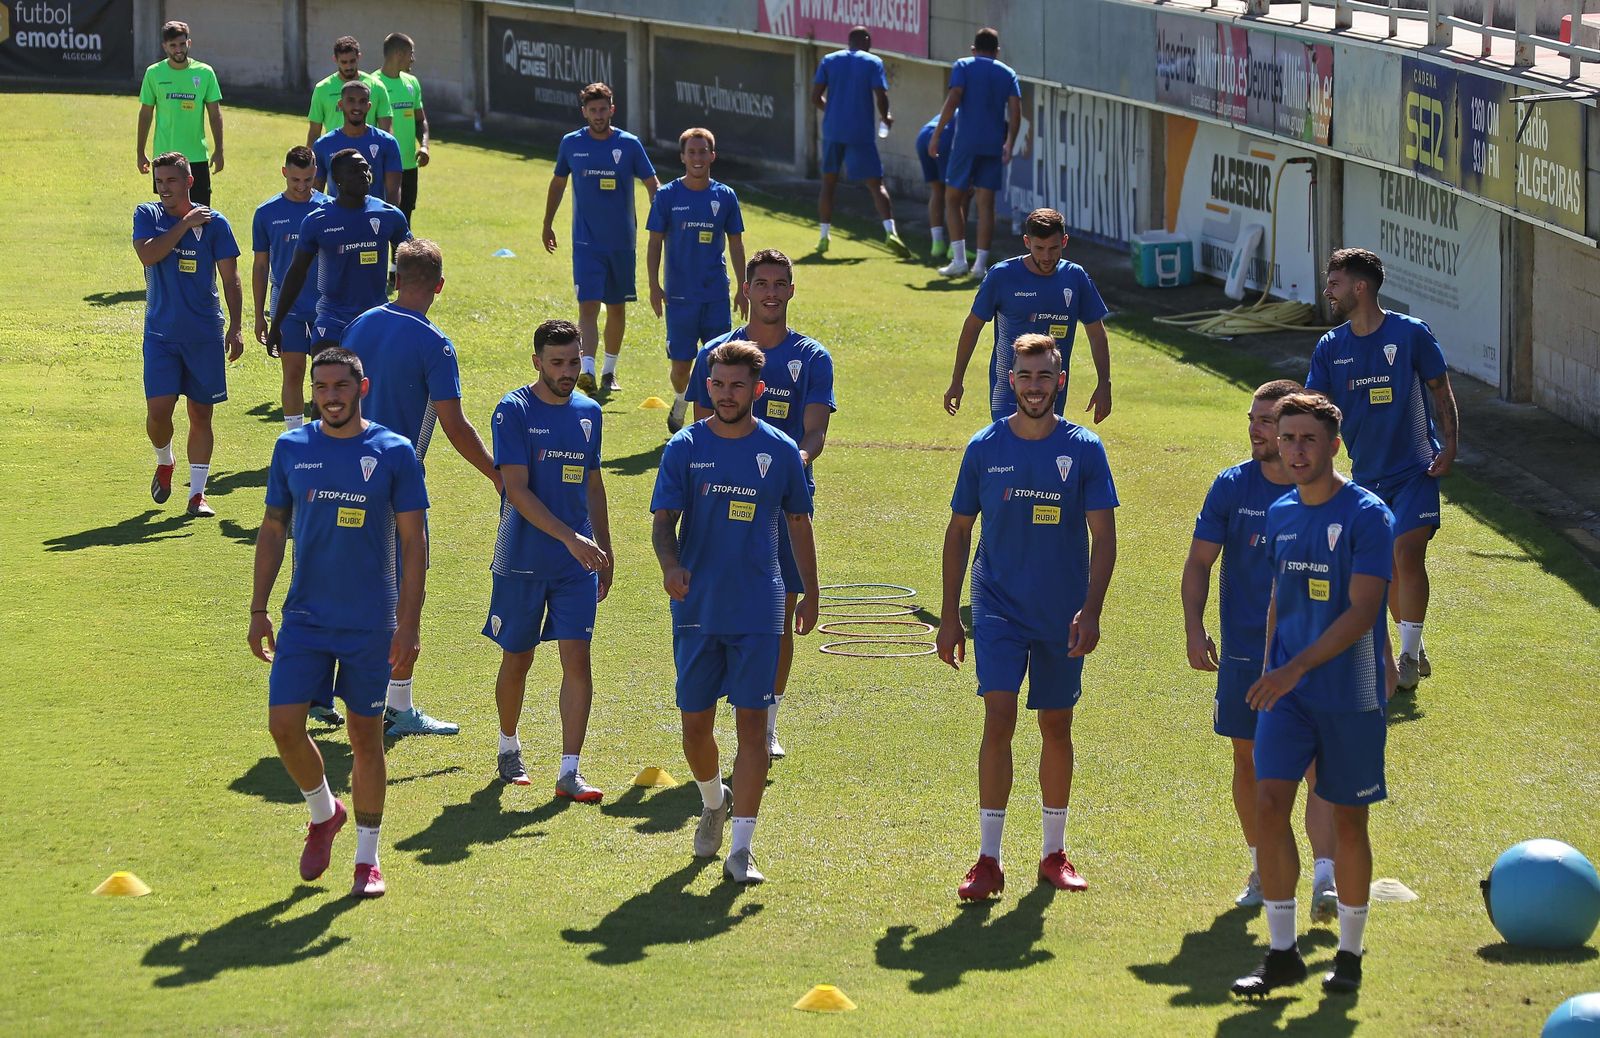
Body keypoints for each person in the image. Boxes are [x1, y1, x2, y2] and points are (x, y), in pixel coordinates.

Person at [937, 334, 1117, 900]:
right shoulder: (984, 447)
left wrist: (1091, 611)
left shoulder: (1084, 449)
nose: (1034, 386)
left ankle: (1053, 852)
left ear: (1059, 381)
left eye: (1044, 376)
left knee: (1055, 726)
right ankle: (987, 860)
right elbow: (960, 531)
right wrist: (948, 617)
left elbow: (1105, 536)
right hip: (997, 609)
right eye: (1025, 375)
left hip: (1061, 614)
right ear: (1008, 379)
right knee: (999, 719)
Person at [249, 346, 429, 900]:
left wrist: (408, 625)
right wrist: (258, 608)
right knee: (284, 726)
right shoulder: (291, 447)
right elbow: (274, 529)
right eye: (321, 386)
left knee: (365, 738)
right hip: (305, 617)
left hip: (371, 624)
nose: (330, 396)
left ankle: (367, 861)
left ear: (362, 387)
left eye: (340, 386)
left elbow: (414, 543)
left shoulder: (394, 452)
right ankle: (324, 813)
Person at [1231, 392, 1394, 998]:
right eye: (1286, 437)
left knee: (1348, 823)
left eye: (1307, 439)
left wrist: (1292, 668)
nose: (1294, 449)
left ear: (1334, 445)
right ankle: (1282, 953)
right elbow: (1281, 598)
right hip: (1287, 693)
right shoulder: (1280, 513)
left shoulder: (1368, 515)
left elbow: (1362, 613)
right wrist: (1275, 664)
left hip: (1347, 690)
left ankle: (1348, 956)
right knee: (1271, 807)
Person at [650, 340, 819, 884]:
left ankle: (742, 850)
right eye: (718, 384)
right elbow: (662, 523)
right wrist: (670, 566)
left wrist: (810, 590)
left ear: (758, 390)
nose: (726, 394)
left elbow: (798, 523)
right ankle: (712, 801)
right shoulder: (683, 447)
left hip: (759, 608)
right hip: (697, 607)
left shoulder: (782, 451)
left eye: (737, 385)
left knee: (752, 733)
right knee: (695, 728)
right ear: (707, 386)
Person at [1182, 380, 1340, 917]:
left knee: (1319, 766)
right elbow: (1200, 561)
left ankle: (1325, 879)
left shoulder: (1325, 494)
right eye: (1253, 418)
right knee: (1247, 759)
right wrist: (1193, 626)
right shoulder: (1231, 487)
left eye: (1267, 421)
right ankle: (1261, 866)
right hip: (1247, 656)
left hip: (1313, 655)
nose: (1256, 429)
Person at [341, 239, 500, 737]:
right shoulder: (435, 344)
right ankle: (398, 707)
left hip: (343, 472)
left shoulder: (360, 324)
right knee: (406, 590)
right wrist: (498, 475)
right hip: (396, 482)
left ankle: (324, 694)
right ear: (439, 285)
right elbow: (453, 425)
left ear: (395, 279)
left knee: (347, 582)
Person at [686, 250, 835, 759]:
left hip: (780, 504)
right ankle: (705, 718)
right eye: (762, 283)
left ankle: (766, 723)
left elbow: (815, 432)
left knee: (778, 612)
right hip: (715, 506)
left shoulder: (812, 357)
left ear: (792, 290)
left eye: (780, 283)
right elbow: (698, 430)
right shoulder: (718, 351)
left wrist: (793, 458)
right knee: (711, 609)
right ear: (745, 289)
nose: (771, 292)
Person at [1307, 248, 1458, 696]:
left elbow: (1440, 389)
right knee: (1387, 567)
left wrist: (1450, 445)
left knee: (1406, 553)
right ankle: (1414, 642)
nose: (1327, 291)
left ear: (1360, 287)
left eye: (1334, 283)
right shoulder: (1331, 347)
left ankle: (1407, 658)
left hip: (1415, 468)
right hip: (1365, 478)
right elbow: (1316, 409)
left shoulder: (1411, 334)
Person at [486, 319, 613, 800]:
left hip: (575, 563)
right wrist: (571, 539)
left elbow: (594, 483)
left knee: (577, 659)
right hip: (521, 558)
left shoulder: (589, 412)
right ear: (536, 361)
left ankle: (569, 771)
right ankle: (507, 746)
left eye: (573, 360)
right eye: (556, 362)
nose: (566, 371)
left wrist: (605, 546)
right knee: (518, 658)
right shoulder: (513, 409)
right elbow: (516, 490)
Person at [134, 153, 243, 518]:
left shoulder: (217, 224)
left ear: (189, 181)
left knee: (201, 414)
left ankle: (197, 495)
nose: (164, 188)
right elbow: (149, 255)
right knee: (158, 412)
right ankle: (165, 461)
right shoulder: (147, 216)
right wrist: (183, 224)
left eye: (171, 181)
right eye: (160, 182)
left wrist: (237, 326)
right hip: (161, 335)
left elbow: (231, 278)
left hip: (204, 335)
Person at [542, 82, 659, 395]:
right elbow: (557, 185)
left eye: (603, 108)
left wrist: (661, 222)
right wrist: (547, 224)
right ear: (584, 112)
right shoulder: (571, 144)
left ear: (612, 109)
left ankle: (609, 371)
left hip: (622, 243)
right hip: (586, 243)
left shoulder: (630, 144)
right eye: (592, 110)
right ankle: (589, 370)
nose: (598, 115)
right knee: (588, 306)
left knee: (617, 308)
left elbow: (652, 184)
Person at [944, 208, 1112, 424]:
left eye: (1053, 248)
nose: (1047, 256)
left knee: (1045, 453)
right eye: (1039, 248)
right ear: (1026, 242)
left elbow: (1097, 333)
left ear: (1065, 241)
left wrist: (1104, 384)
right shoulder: (1002, 275)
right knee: (1012, 453)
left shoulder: (1075, 277)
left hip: (1052, 393)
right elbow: (972, 327)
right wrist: (957, 380)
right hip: (1008, 393)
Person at [647, 128, 747, 434]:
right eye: (692, 152)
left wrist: (744, 288)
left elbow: (736, 244)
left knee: (721, 362)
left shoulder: (725, 196)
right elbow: (654, 243)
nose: (698, 158)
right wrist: (654, 286)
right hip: (679, 298)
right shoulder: (667, 196)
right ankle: (681, 399)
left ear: (713, 156)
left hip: (716, 295)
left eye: (703, 152)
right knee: (681, 367)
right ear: (682, 157)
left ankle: (714, 425)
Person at [266, 149, 410, 350]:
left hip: (375, 318)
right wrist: (277, 323)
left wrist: (406, 311)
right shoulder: (317, 221)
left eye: (365, 168)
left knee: (375, 381)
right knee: (326, 380)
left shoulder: (389, 215)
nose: (363, 174)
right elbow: (296, 272)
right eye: (354, 170)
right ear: (337, 179)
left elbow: (413, 262)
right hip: (332, 321)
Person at [929, 27, 1021, 279]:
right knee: (986, 204)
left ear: (973, 48)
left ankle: (958, 260)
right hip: (992, 144)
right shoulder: (1007, 73)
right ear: (997, 51)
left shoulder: (963, 65)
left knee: (952, 198)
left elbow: (954, 98)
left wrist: (936, 134)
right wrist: (1010, 142)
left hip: (966, 143)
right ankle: (980, 265)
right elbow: (1015, 111)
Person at [252, 146, 331, 431]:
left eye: (308, 180)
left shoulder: (328, 209)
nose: (301, 187)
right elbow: (260, 266)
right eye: (295, 180)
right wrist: (260, 314)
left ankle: (323, 437)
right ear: (284, 173)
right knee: (293, 373)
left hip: (326, 308)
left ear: (315, 175)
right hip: (289, 310)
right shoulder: (266, 213)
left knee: (324, 377)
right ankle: (295, 438)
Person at [811, 26, 906, 256]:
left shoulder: (829, 60)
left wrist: (832, 111)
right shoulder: (872, 62)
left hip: (833, 131)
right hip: (860, 133)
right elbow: (881, 95)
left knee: (828, 183)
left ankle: (824, 236)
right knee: (876, 184)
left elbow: (815, 97)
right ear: (864, 40)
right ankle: (890, 232)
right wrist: (885, 117)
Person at [137, 21, 224, 206]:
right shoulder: (154, 73)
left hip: (197, 158)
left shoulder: (205, 73)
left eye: (182, 44)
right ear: (165, 47)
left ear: (189, 43)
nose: (178, 49)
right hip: (165, 159)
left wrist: (219, 150)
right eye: (173, 45)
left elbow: (215, 115)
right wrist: (140, 152)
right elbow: (145, 114)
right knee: (169, 214)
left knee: (200, 214)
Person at [311, 80, 403, 208]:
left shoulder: (387, 142)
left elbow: (393, 192)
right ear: (340, 104)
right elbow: (316, 192)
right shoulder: (323, 145)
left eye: (362, 101)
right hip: (337, 222)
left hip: (373, 219)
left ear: (369, 106)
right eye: (351, 100)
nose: (357, 107)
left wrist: (390, 218)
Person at [377, 32, 428, 228]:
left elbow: (420, 120)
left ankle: (399, 260)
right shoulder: (373, 84)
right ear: (399, 54)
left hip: (409, 165)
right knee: (382, 220)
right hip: (383, 167)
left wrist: (424, 146)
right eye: (411, 54)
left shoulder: (411, 83)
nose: (413, 59)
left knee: (404, 221)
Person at [306, 36, 392, 145]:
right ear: (335, 59)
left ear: (359, 57)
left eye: (352, 61)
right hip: (335, 154)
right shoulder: (322, 89)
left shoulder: (377, 87)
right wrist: (307, 160)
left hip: (368, 153)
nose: (349, 66)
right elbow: (314, 132)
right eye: (344, 62)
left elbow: (386, 131)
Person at [916, 112, 959, 260]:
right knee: (957, 194)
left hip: (924, 135)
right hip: (945, 138)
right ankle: (956, 248)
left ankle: (937, 243)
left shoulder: (960, 104)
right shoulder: (979, 112)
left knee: (937, 190)